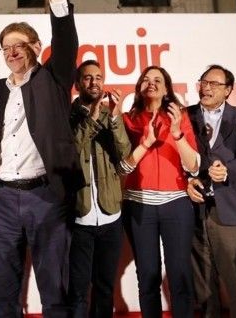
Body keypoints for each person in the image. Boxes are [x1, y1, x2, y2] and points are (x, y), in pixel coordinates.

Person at [0, 0, 83, 317]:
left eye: (19, 45)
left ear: (36, 46)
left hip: (46, 196)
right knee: (2, 293)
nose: (12, 51)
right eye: (6, 47)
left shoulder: (54, 79)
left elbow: (66, 43)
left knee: (55, 289)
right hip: (1, 202)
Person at [120, 65, 199, 318]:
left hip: (176, 205)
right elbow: (122, 167)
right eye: (146, 79)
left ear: (167, 89)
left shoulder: (180, 117)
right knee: (148, 275)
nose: (151, 83)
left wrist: (177, 133)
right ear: (139, 87)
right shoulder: (127, 120)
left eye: (158, 80)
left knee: (180, 273)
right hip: (138, 205)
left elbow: (194, 166)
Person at [185, 65, 236, 318]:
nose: (207, 88)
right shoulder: (185, 116)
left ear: (228, 90)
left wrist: (227, 171)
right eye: (204, 82)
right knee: (202, 282)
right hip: (193, 209)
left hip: (229, 208)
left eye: (214, 84)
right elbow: (175, 156)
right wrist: (186, 181)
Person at [68, 60, 131, 317]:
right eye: (87, 78)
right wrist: (92, 119)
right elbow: (70, 154)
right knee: (78, 290)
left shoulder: (110, 115)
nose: (94, 82)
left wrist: (115, 116)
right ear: (77, 84)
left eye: (98, 77)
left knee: (105, 288)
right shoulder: (66, 116)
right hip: (78, 218)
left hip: (110, 216)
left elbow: (125, 155)